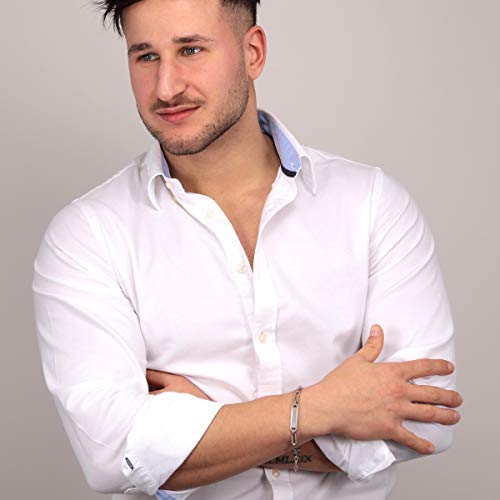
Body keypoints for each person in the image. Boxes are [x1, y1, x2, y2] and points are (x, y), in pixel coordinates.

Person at [31, 0, 463, 499]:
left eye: (190, 50)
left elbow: (427, 421)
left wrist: (206, 427)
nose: (166, 88)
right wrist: (325, 407)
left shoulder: (371, 204)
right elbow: (113, 455)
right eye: (146, 56)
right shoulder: (87, 236)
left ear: (252, 52)